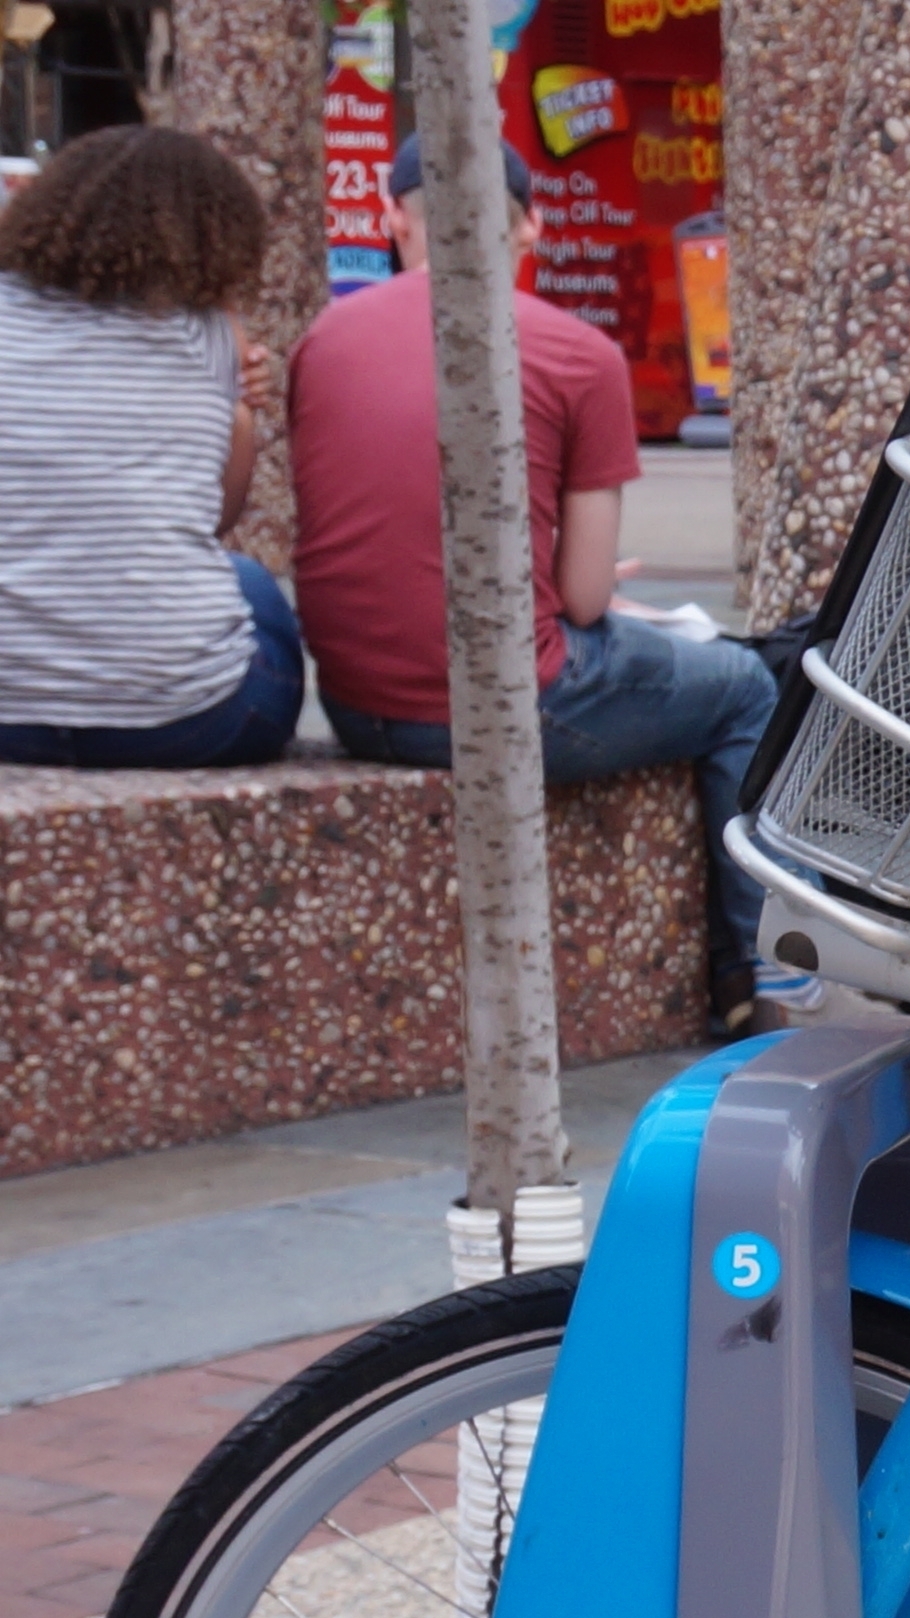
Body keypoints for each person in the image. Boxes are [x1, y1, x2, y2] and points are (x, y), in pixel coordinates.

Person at [288, 139, 783, 1033]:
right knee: (745, 687)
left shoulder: (323, 339)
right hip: (505, 706)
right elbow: (588, 601)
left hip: (357, 705)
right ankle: (758, 973)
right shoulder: (575, 351)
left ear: (394, 218)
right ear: (530, 229)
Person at [0, 126, 307, 770]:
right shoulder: (205, 332)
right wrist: (240, 409)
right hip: (189, 721)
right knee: (251, 581)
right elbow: (222, 515)